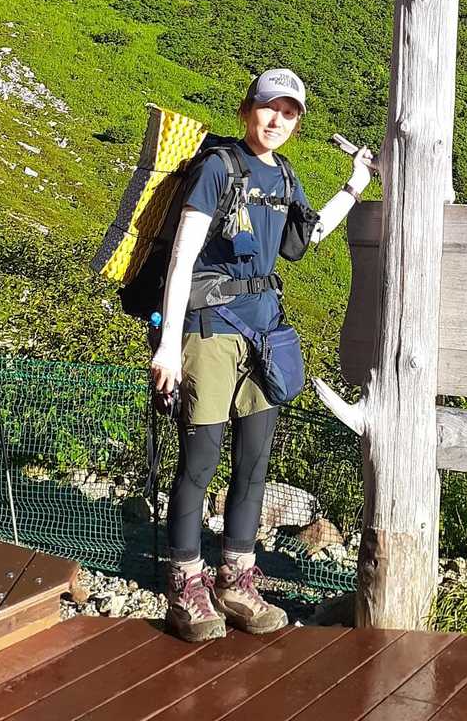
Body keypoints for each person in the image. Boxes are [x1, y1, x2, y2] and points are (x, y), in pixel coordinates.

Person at [149, 67, 372, 643]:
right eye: (270, 107)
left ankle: (236, 581)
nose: (277, 120)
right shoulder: (217, 168)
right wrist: (168, 346)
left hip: (264, 329)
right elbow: (182, 256)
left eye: (289, 112)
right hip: (208, 327)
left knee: (253, 462)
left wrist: (354, 185)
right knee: (200, 461)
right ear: (248, 109)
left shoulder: (285, 175)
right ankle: (185, 584)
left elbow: (306, 239)